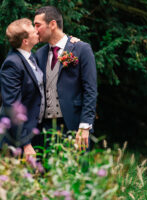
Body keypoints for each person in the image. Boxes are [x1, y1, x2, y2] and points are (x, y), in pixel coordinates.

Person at [34, 6, 97, 151]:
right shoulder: (39, 54)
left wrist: (85, 125)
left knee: (75, 172)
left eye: (38, 25)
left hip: (74, 127)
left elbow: (90, 90)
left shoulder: (81, 49)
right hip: (45, 130)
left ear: (53, 24)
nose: (35, 30)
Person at [0, 18, 44, 159]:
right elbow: (12, 106)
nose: (37, 31)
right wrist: (26, 144)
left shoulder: (30, 57)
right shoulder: (12, 64)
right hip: (15, 139)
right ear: (25, 41)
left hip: (31, 132)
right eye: (32, 31)